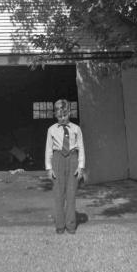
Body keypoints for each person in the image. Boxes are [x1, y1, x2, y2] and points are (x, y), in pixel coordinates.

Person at [45, 99, 85, 234]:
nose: (62, 118)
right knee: (58, 194)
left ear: (69, 113)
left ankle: (71, 225)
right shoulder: (51, 130)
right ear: (55, 115)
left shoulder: (76, 129)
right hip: (57, 160)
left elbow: (81, 148)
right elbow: (49, 150)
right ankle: (60, 225)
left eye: (65, 115)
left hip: (73, 159)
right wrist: (49, 168)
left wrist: (81, 167)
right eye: (60, 116)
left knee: (71, 193)